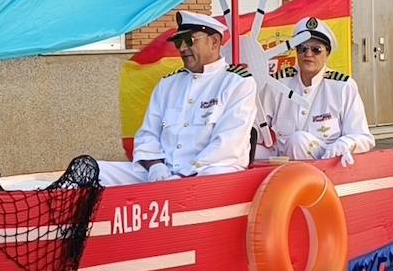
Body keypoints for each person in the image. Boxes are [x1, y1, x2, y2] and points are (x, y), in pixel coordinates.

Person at [98, 11, 256, 185]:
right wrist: (155, 166)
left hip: (208, 172)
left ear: (214, 42)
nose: (182, 48)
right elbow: (147, 135)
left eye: (189, 40)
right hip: (164, 173)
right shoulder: (168, 84)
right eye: (178, 42)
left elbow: (227, 146)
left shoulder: (237, 82)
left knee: (214, 174)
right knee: (96, 170)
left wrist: (183, 176)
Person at [257, 17, 374, 164]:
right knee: (246, 149)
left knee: (298, 140)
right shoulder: (278, 84)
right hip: (282, 165)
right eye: (302, 48)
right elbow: (257, 129)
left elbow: (364, 137)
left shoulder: (343, 86)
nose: (308, 54)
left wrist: (344, 144)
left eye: (316, 49)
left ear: (327, 53)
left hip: (325, 166)